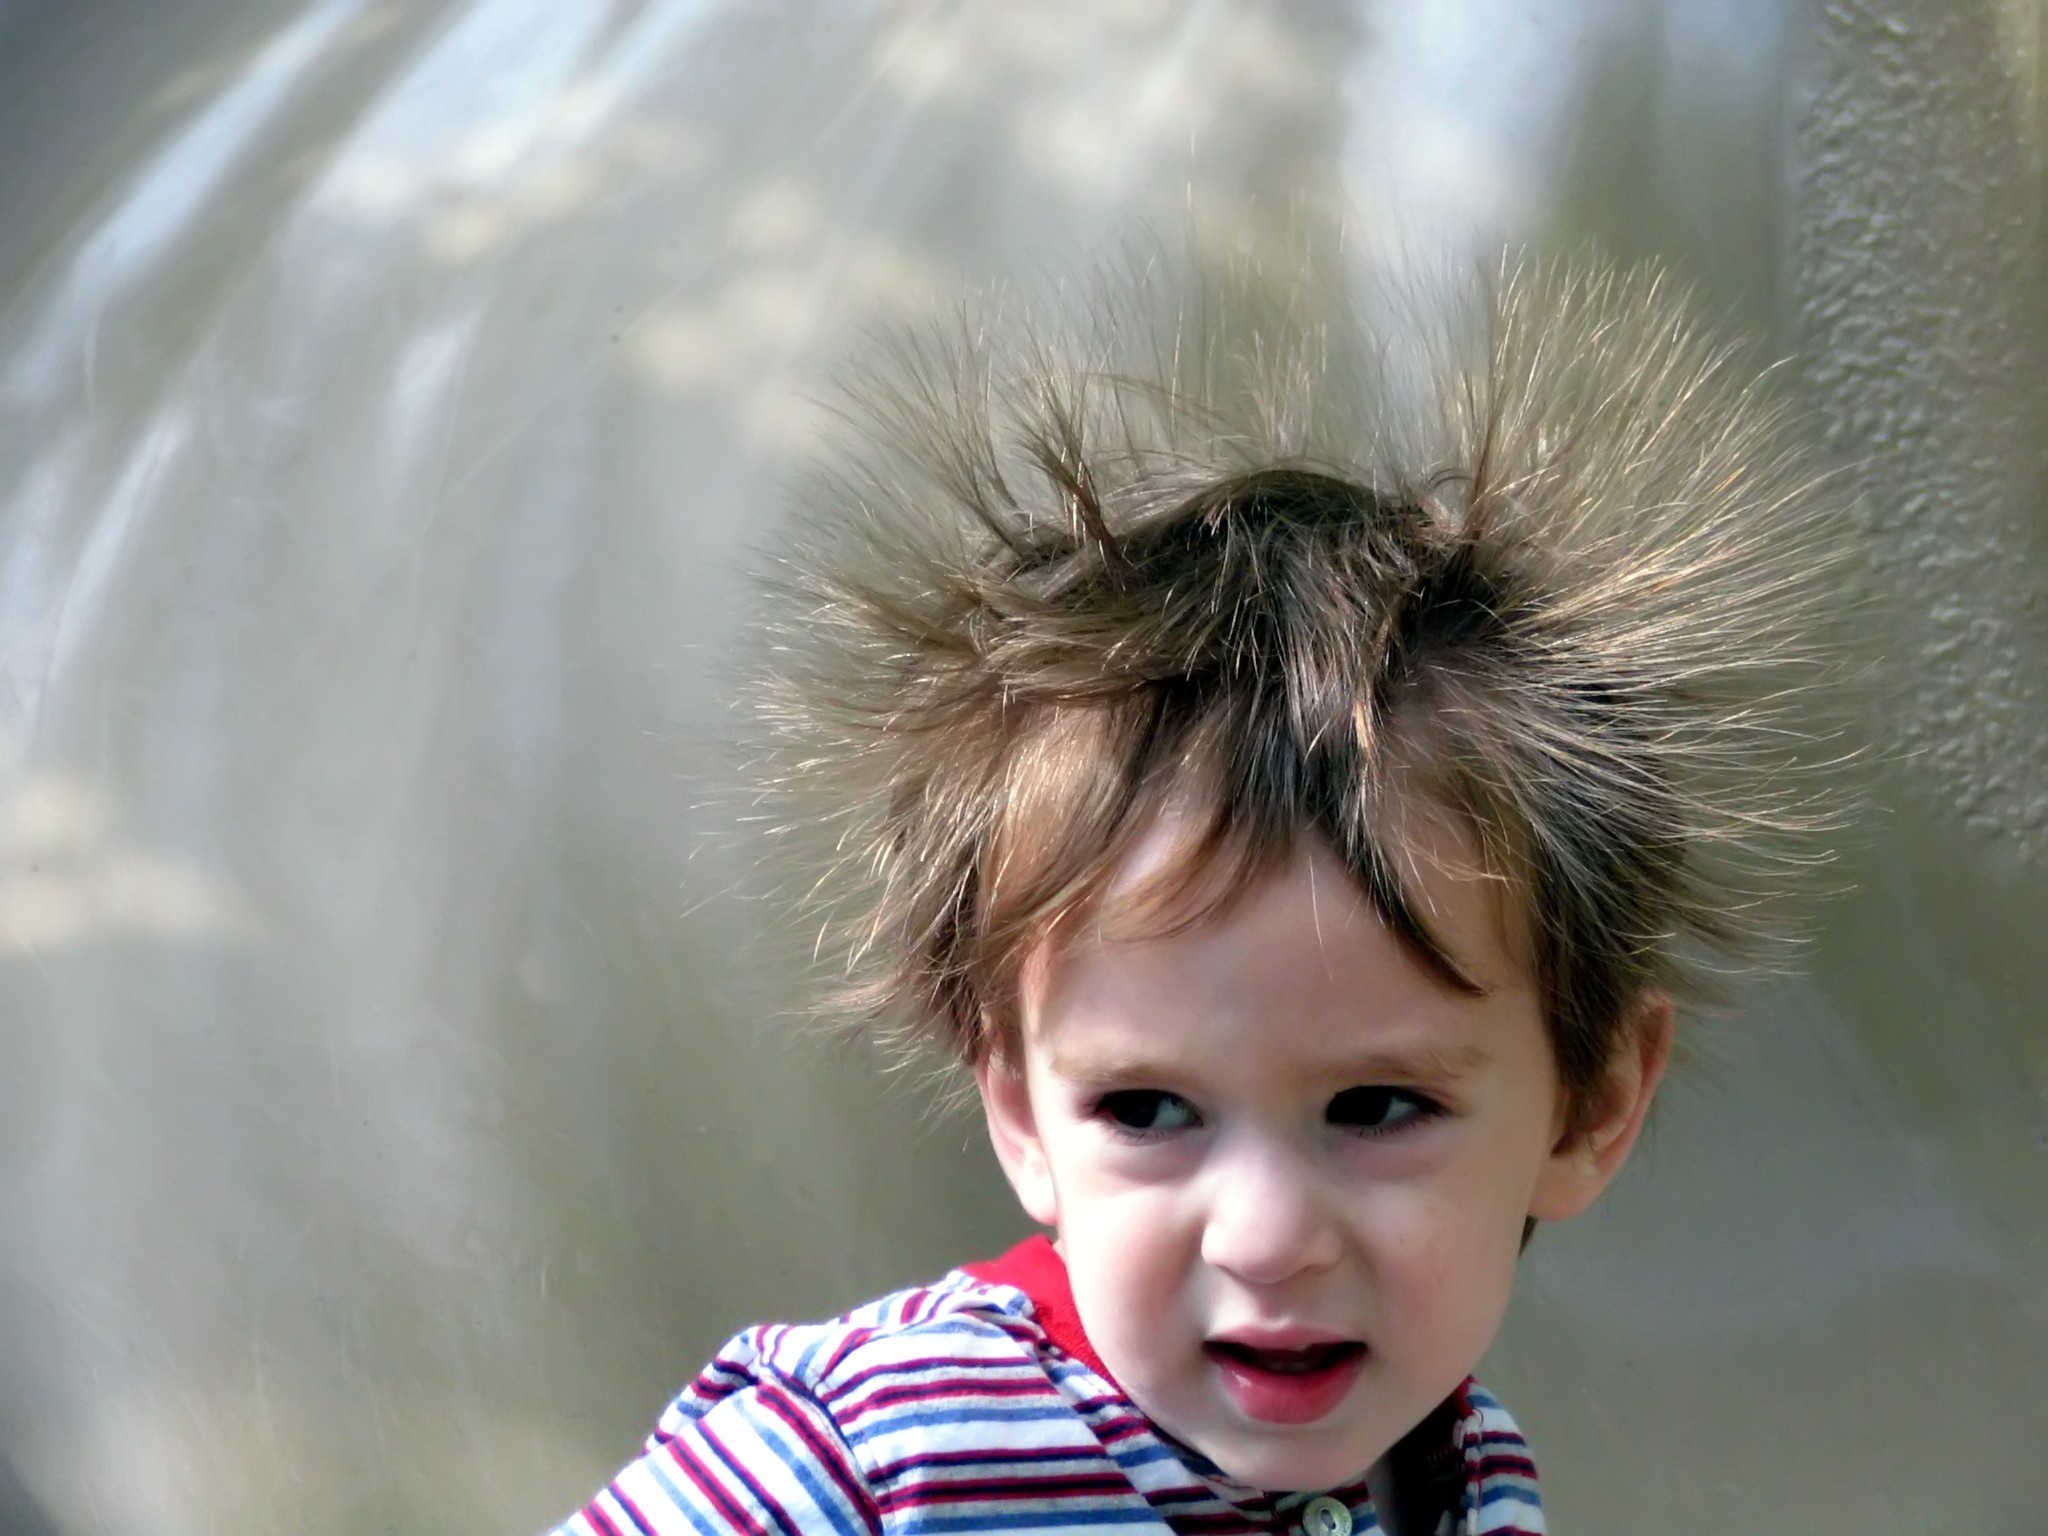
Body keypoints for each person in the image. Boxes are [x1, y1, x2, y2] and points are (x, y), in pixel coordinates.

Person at [549, 255, 1850, 1536]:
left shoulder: (1466, 1478)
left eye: (1378, 1106)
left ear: (1593, 1105)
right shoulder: (868, 1452)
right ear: (1018, 1106)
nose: (1267, 1239)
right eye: (1148, 1108)